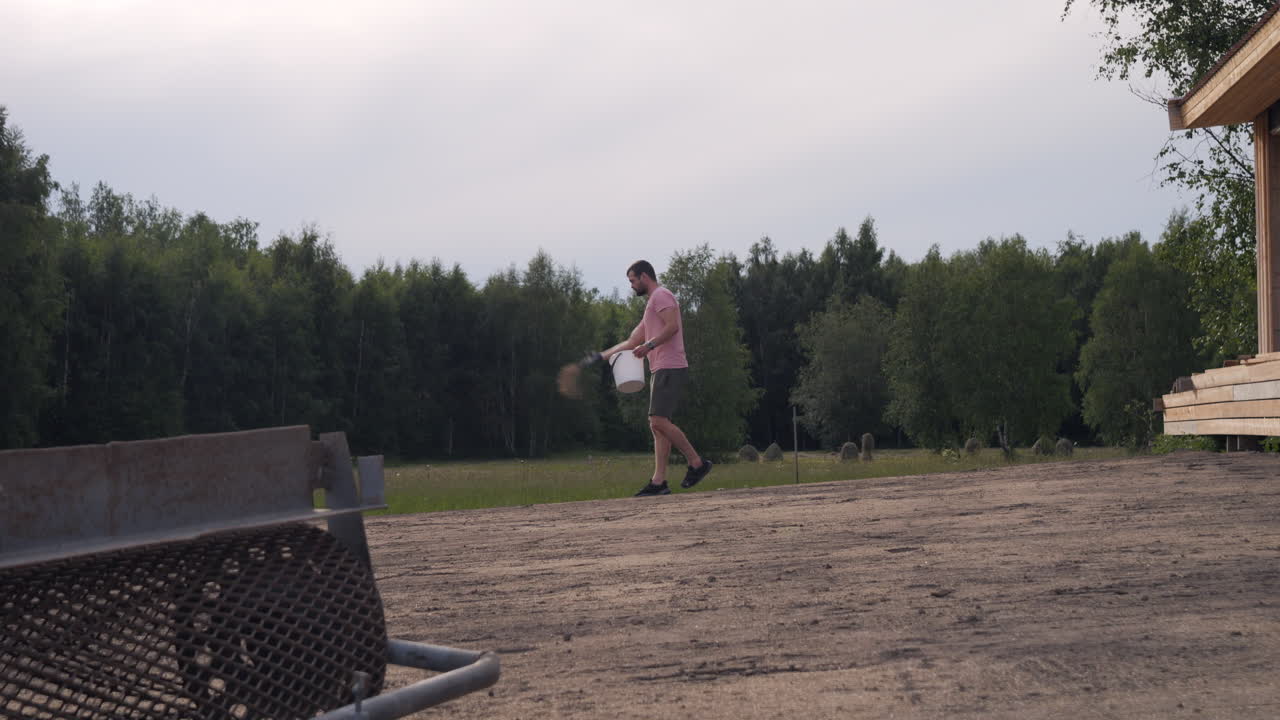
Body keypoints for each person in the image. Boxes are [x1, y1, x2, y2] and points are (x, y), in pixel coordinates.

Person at [567, 260, 712, 496]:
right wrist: (600, 356)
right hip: (659, 368)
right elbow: (632, 341)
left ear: (644, 277)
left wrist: (650, 345)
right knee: (657, 427)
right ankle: (659, 482)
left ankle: (697, 464)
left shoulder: (661, 296)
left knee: (657, 421)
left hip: (670, 366)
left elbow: (673, 326)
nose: (632, 286)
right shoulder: (650, 307)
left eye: (633, 281)